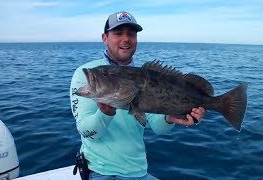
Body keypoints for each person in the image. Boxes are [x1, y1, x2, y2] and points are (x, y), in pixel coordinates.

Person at [70, 11, 205, 180]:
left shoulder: (144, 75)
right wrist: (105, 113)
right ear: (105, 38)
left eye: (131, 34)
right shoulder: (87, 74)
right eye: (118, 33)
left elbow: (157, 127)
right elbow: (87, 131)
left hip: (139, 172)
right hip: (103, 172)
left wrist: (171, 118)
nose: (125, 39)